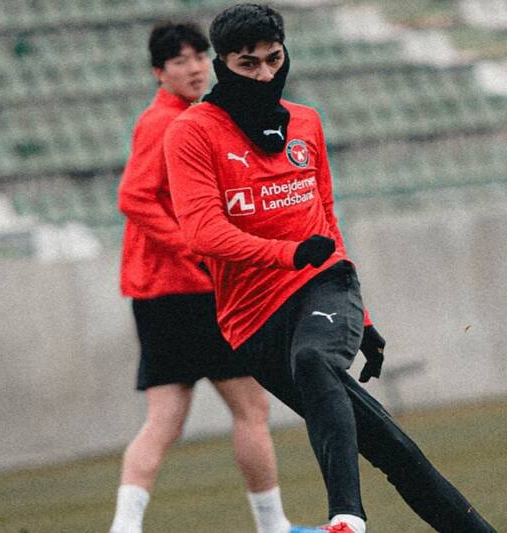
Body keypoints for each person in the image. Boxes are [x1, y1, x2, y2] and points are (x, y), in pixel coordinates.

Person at [164, 4, 497, 533]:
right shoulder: (191, 132)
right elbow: (203, 233)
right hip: (252, 323)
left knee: (315, 357)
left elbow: (326, 219)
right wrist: (289, 253)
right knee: (392, 448)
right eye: (249, 64)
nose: (266, 75)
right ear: (222, 64)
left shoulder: (306, 122)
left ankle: (346, 519)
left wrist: (360, 317)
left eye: (275, 59)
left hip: (323, 284)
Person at [110, 21, 294, 533]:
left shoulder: (188, 118)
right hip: (190, 291)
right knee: (251, 407)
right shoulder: (164, 122)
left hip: (160, 294)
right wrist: (197, 249)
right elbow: (133, 197)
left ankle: (125, 526)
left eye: (198, 57)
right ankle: (273, 526)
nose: (193, 68)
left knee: (165, 421)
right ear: (159, 72)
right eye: (179, 61)